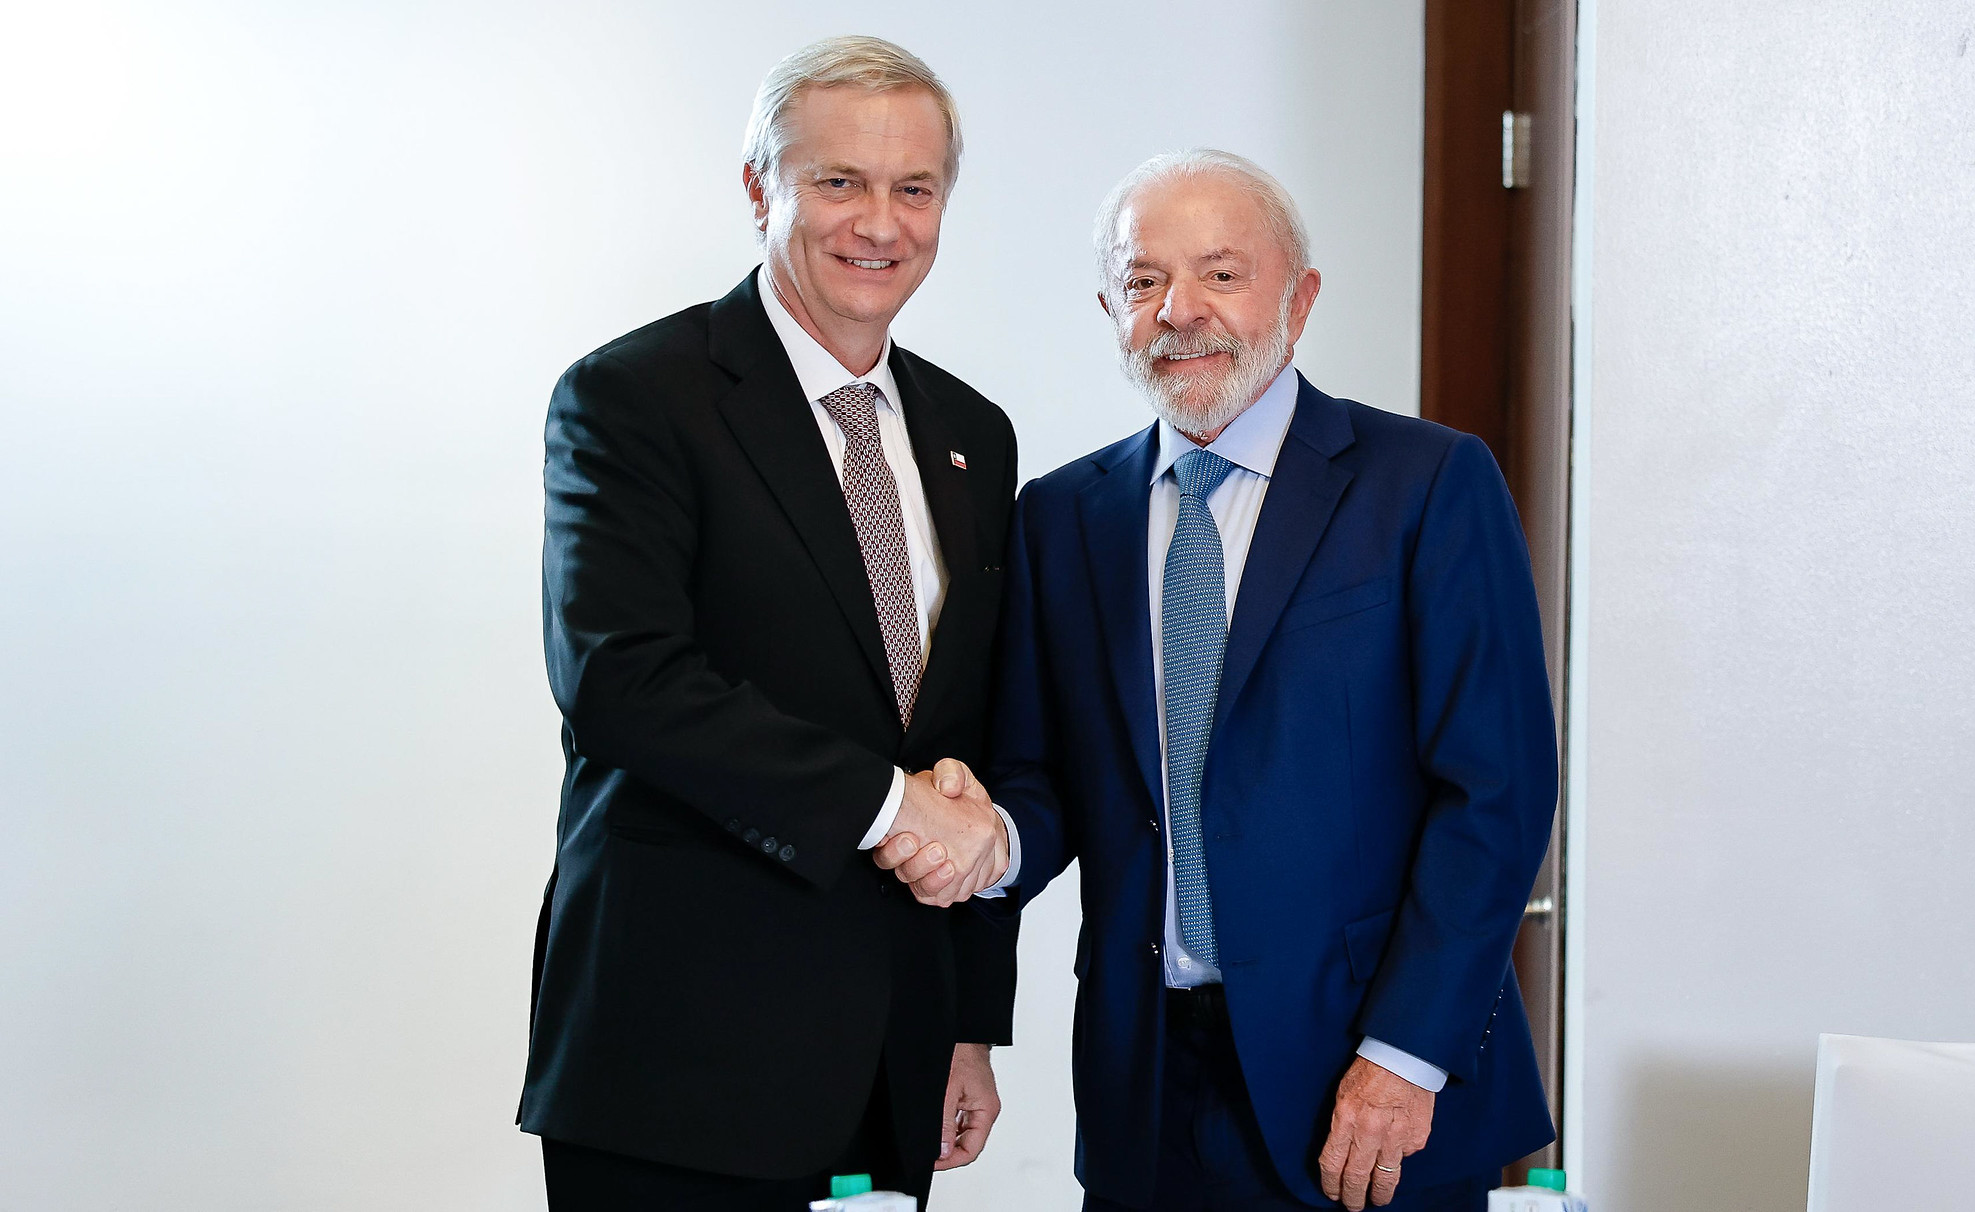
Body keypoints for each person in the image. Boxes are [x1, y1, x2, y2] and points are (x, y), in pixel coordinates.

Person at [878, 150, 1558, 1210]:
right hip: (1145, 1085)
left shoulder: (1424, 485)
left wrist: (1403, 1057)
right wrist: (993, 844)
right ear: (1109, 307)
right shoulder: (1063, 519)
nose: (1178, 311)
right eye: (1142, 281)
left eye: (1220, 274)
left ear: (1299, 299)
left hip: (1367, 1081)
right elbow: (1038, 776)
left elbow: (1496, 795)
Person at [519, 36, 1018, 1211]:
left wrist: (967, 1024)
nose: (879, 225)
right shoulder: (634, 398)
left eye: (914, 189)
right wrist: (892, 805)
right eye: (837, 182)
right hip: (677, 1056)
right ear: (759, 188)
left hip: (891, 1046)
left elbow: (971, 732)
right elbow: (619, 679)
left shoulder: (971, 432)